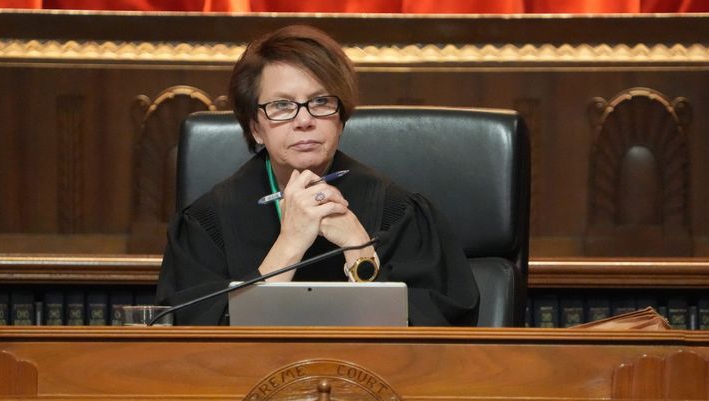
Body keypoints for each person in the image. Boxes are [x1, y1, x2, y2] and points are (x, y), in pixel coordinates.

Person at [157, 25, 479, 326]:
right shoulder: (206, 224)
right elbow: (193, 343)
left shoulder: (398, 212)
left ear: (340, 119)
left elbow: (440, 335)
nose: (304, 120)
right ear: (256, 128)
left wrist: (359, 248)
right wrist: (289, 247)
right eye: (282, 106)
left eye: (320, 102)